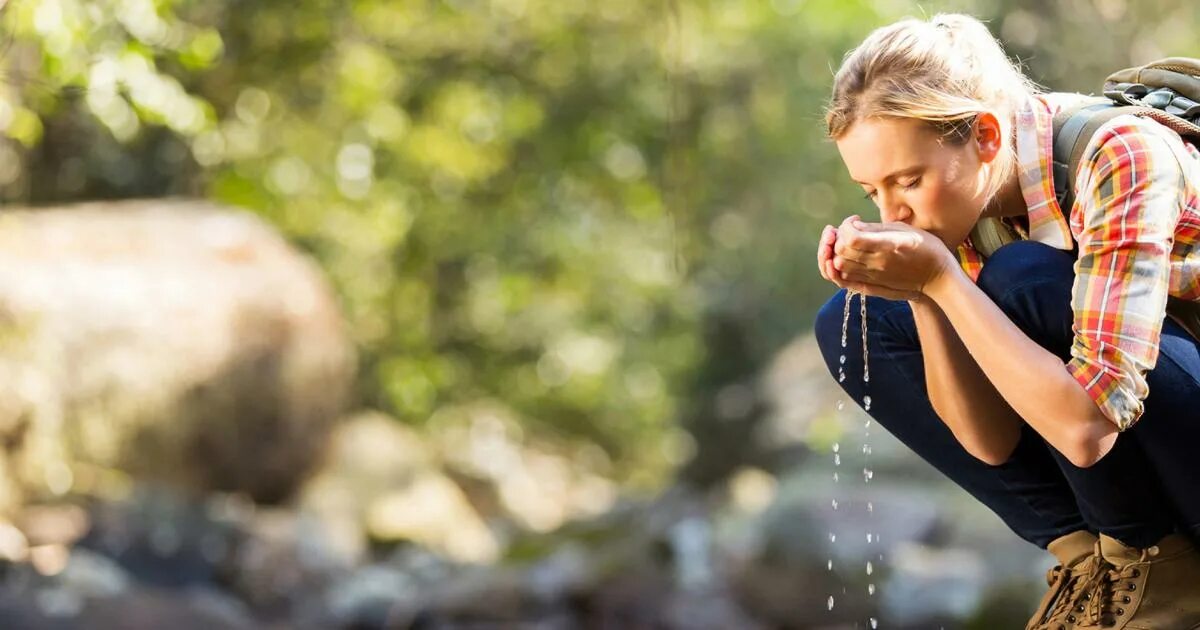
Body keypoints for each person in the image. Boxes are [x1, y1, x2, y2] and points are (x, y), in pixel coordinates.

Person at [813, 13, 1200, 630]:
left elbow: (1087, 429)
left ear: (986, 137)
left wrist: (943, 278)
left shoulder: (1119, 155)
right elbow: (991, 444)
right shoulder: (975, 199)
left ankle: (1151, 555)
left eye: (908, 181)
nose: (893, 213)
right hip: (1143, 430)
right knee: (856, 317)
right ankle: (1094, 563)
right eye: (872, 193)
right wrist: (921, 295)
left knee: (1020, 279)